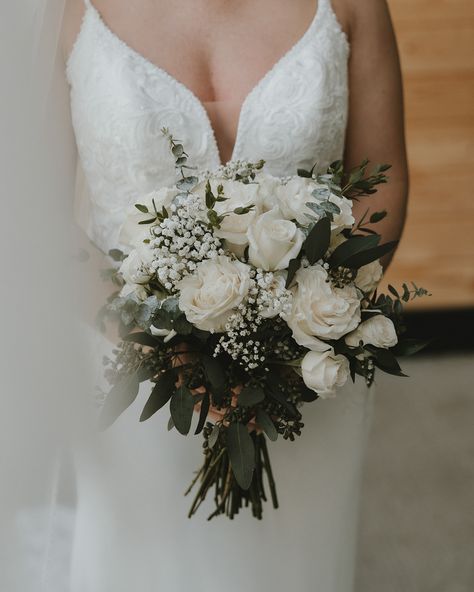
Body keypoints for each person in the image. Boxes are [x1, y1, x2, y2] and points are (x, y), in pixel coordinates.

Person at [60, 1, 408, 590]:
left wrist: (297, 333)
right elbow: (24, 204)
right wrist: (165, 352)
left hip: (305, 375)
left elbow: (382, 178)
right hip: (125, 378)